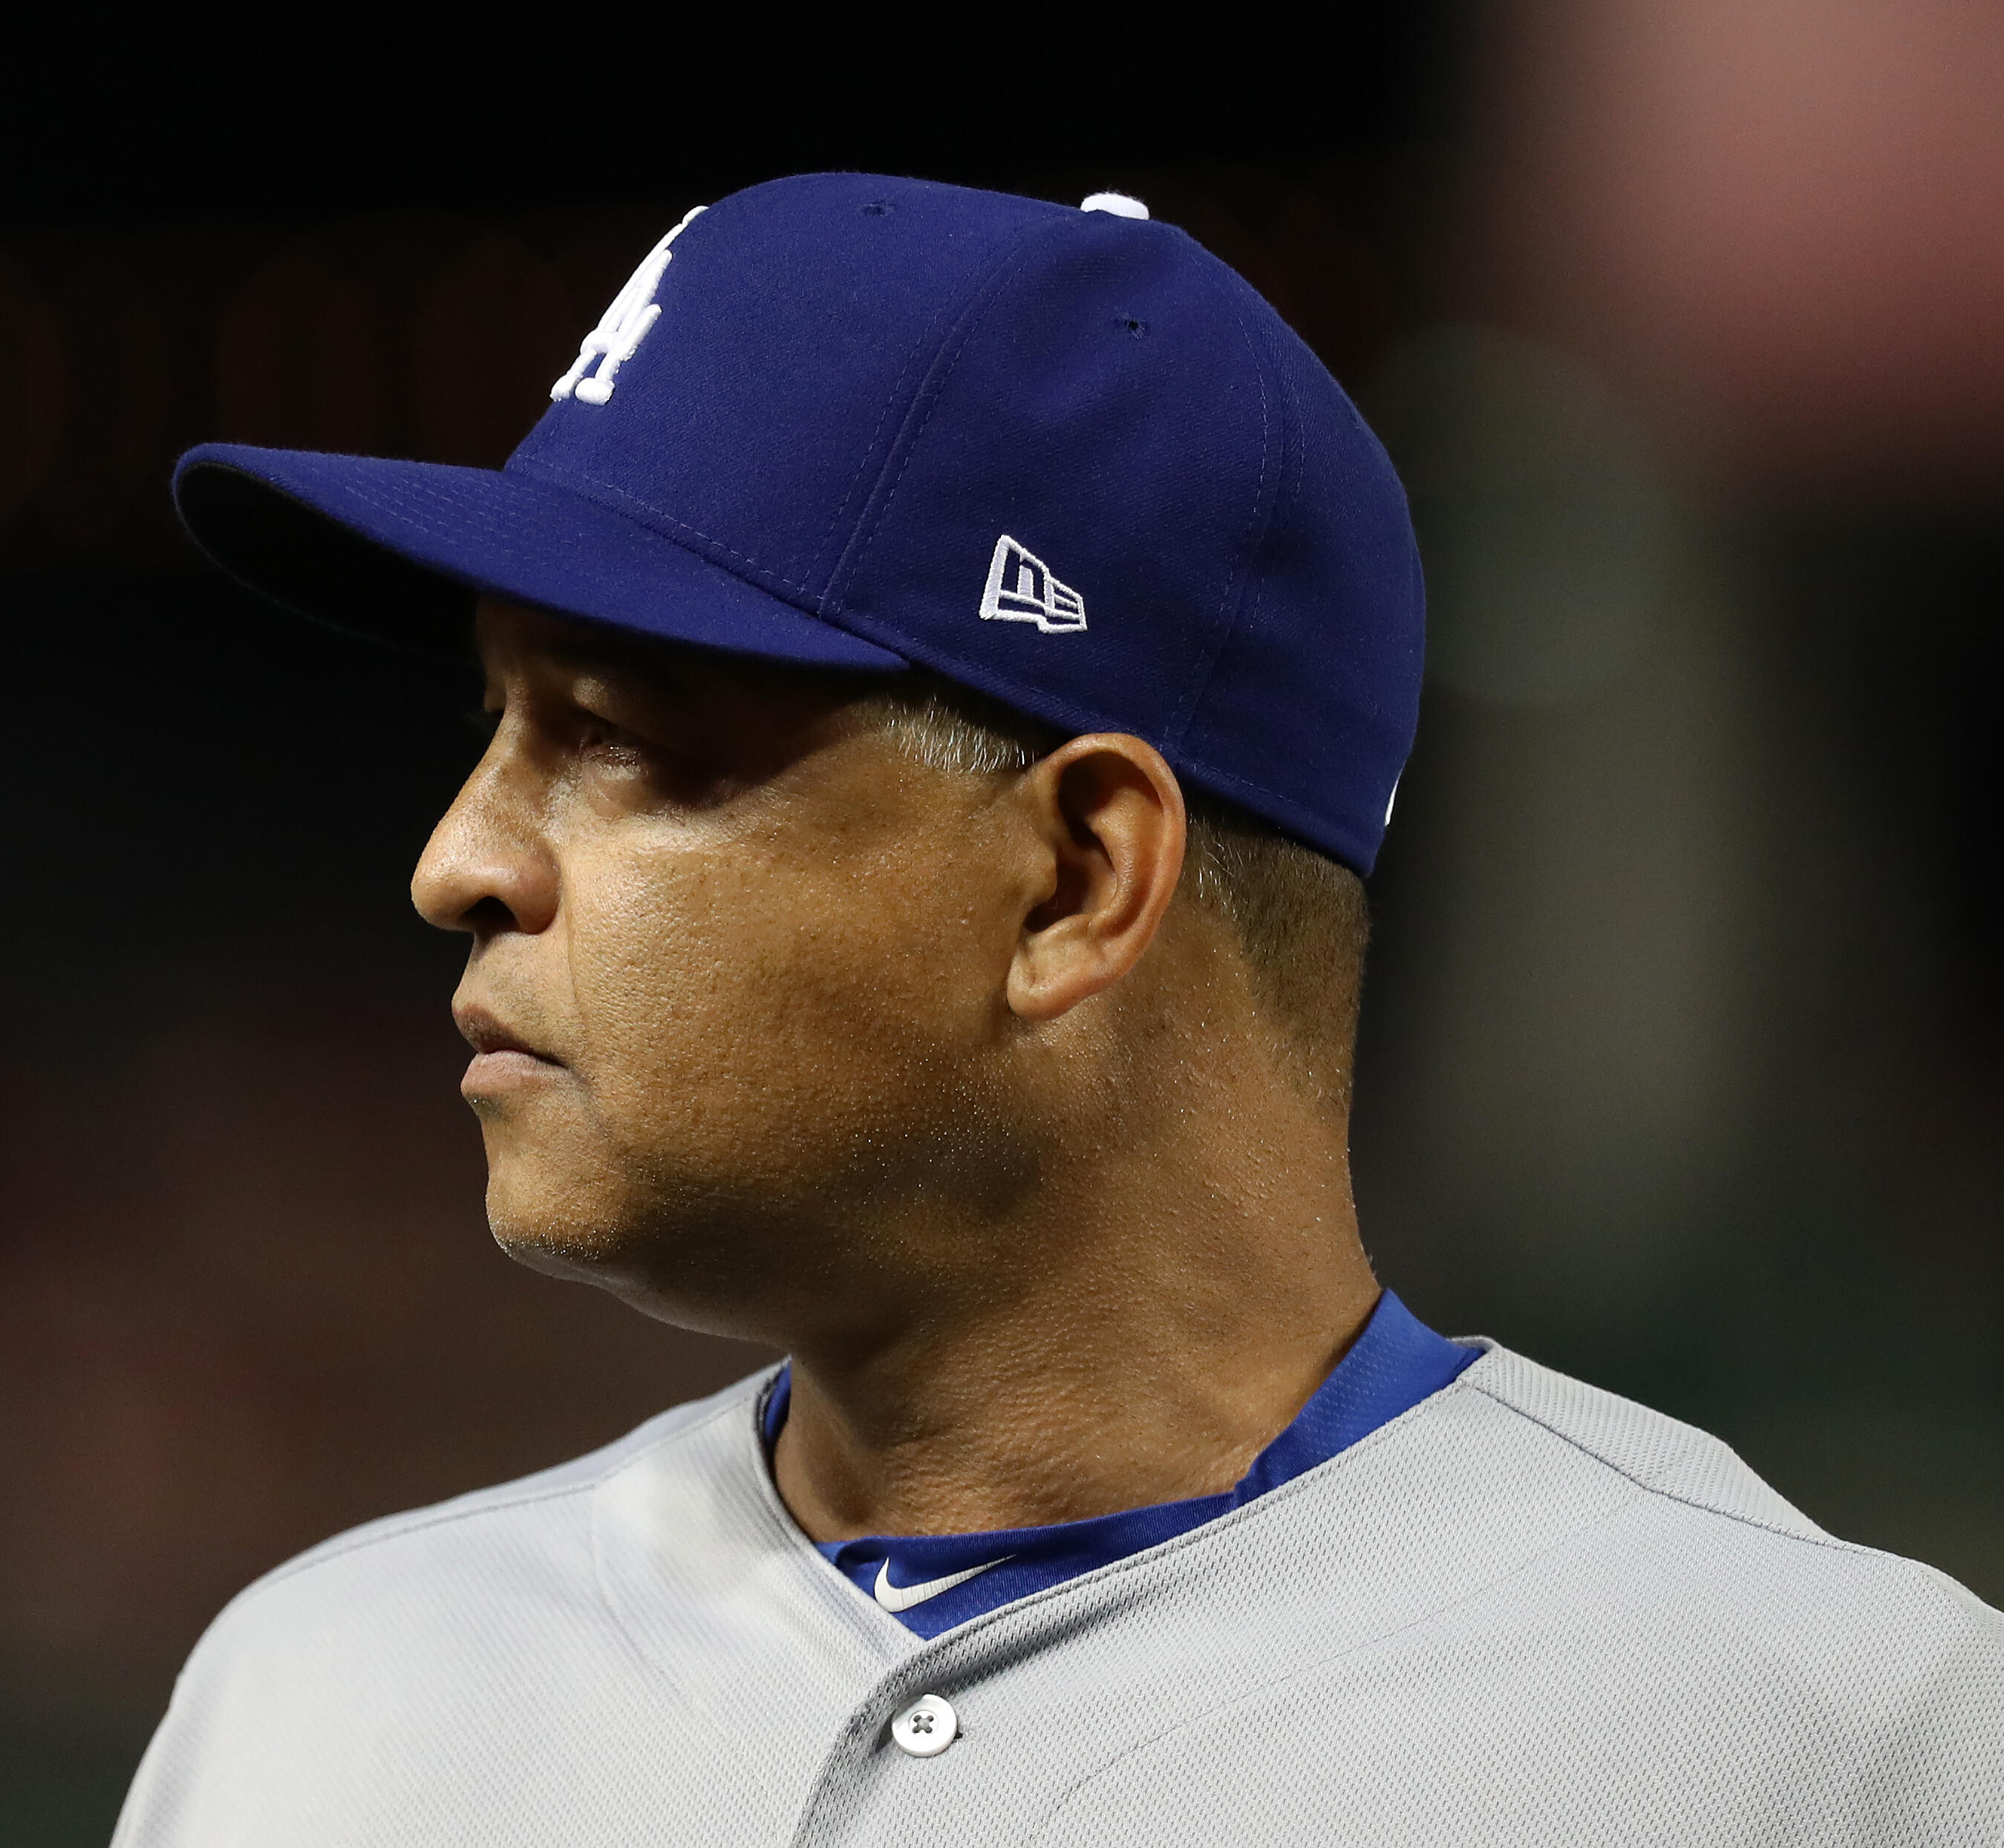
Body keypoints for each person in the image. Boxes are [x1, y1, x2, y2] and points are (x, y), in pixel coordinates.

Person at [113, 174, 2003, 1845]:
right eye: (495, 728)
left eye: (617, 738)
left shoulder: (1815, 1742)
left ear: (1078, 877)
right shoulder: (320, 1692)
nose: (460, 857)